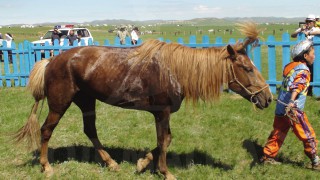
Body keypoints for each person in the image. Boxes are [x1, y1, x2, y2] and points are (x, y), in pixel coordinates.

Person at [261, 40, 320, 170]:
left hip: (281, 108)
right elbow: (297, 87)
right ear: (305, 56)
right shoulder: (304, 70)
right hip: (293, 110)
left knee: (278, 132)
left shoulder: (292, 67)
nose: (314, 56)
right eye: (313, 53)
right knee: (308, 135)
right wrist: (292, 102)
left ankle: (268, 157)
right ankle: (316, 161)